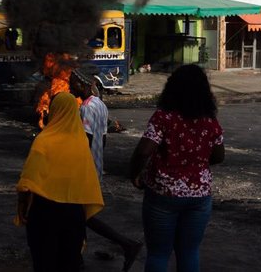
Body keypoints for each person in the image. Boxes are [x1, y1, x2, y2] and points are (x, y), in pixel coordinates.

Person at [129, 64, 225, 272]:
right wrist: (195, 160)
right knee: (189, 252)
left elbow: (144, 151)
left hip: (164, 193)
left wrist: (134, 173)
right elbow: (219, 156)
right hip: (200, 194)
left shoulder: (164, 117)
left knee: (158, 253)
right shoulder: (210, 121)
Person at [15, 92, 104, 272]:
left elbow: (29, 179)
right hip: (73, 214)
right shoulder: (81, 143)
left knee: (44, 262)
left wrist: (22, 204)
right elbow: (86, 181)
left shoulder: (44, 140)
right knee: (69, 262)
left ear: (55, 111)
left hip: (43, 212)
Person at [70, 69, 142, 272]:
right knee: (80, 214)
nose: (70, 86)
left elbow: (88, 138)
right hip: (97, 164)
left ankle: (126, 244)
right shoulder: (100, 104)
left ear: (83, 85)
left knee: (81, 215)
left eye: (73, 83)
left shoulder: (85, 108)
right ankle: (78, 257)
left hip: (85, 168)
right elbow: (103, 138)